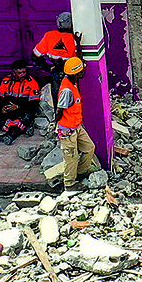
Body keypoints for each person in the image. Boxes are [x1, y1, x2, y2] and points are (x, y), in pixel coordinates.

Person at [53, 56, 99, 190]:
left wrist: (78, 45)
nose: (84, 71)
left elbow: (78, 61)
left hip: (76, 126)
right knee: (71, 157)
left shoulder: (71, 81)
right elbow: (59, 109)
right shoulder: (67, 90)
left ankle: (78, 173)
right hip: (67, 130)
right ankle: (70, 183)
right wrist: (55, 124)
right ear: (77, 73)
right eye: (82, 70)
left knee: (89, 148)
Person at [0, 61, 41, 145]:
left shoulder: (32, 83)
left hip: (23, 108)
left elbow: (34, 104)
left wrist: (18, 107)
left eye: (24, 72)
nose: (22, 75)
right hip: (8, 107)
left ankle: (10, 135)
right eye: (19, 73)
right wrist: (2, 107)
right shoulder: (6, 80)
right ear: (13, 73)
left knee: (27, 116)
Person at [32, 12, 80, 77]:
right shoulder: (75, 37)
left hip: (56, 76)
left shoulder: (49, 36)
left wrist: (48, 68)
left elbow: (34, 57)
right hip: (72, 74)